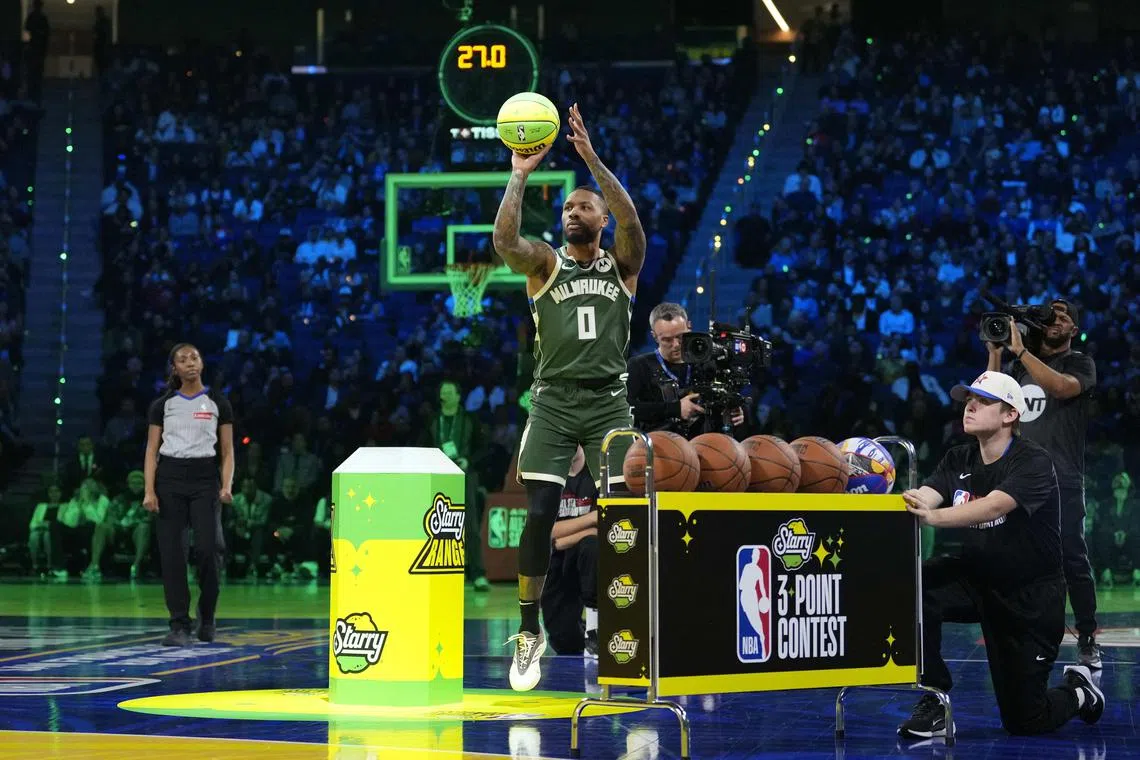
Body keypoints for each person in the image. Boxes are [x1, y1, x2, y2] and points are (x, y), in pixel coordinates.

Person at [493, 103, 645, 691]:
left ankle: (625, 630)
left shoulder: (622, 266)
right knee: (537, 514)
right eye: (567, 206)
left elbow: (634, 221)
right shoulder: (545, 265)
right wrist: (520, 173)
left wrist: (590, 159)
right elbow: (504, 239)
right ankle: (528, 632)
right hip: (553, 400)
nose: (572, 212)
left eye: (583, 205)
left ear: (601, 218)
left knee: (625, 517)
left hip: (609, 400)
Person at [900, 372, 1104, 740]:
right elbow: (924, 497)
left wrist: (933, 517)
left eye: (982, 400)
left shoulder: (1034, 462)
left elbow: (994, 506)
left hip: (1029, 595)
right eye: (967, 399)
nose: (970, 406)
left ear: (1011, 415)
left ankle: (1078, 691)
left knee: (1025, 721)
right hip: (976, 577)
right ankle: (934, 699)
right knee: (914, 585)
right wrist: (878, 493)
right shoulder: (958, 457)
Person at [986, 299, 1101, 667]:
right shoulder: (1018, 367)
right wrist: (997, 353)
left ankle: (1086, 634)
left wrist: (1020, 352)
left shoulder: (1080, 362)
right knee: (1011, 556)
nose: (1057, 320)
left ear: (1073, 330)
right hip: (1018, 479)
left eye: (1065, 316)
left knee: (1071, 558)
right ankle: (1018, 633)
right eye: (1052, 315)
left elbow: (1063, 388)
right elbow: (992, 401)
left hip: (1062, 477)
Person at [144, 343, 234, 647]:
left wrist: (226, 485)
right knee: (172, 555)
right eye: (183, 360)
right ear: (175, 368)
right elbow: (152, 450)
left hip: (205, 479)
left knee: (210, 549)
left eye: (194, 357)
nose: (190, 363)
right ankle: (179, 624)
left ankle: (206, 617)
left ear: (202, 363)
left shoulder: (217, 402)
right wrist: (149, 490)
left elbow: (227, 450)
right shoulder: (163, 405)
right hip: (170, 478)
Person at [626, 302, 744, 437]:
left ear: (689, 326)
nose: (675, 345)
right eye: (667, 340)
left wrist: (734, 413)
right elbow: (627, 408)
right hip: (658, 448)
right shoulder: (639, 366)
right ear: (654, 336)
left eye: (680, 337)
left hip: (705, 447)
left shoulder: (707, 365)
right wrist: (675, 409)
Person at [422, 379, 489, 591]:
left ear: (459, 396)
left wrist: (469, 460)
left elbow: (484, 448)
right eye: (444, 392)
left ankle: (477, 574)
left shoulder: (470, 419)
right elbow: (422, 445)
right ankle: (437, 570)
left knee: (470, 524)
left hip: (465, 476)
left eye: (451, 392)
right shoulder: (432, 420)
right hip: (437, 476)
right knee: (435, 524)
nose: (447, 396)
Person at [541, 446, 600, 657]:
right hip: (558, 560)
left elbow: (603, 526)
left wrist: (560, 539)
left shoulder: (598, 474)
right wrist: (589, 522)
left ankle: (595, 628)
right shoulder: (548, 477)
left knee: (592, 546)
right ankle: (582, 630)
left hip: (589, 557)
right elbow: (547, 530)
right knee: (563, 641)